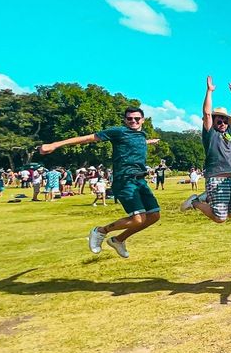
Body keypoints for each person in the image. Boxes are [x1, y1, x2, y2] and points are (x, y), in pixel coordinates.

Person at [38, 106, 162, 258]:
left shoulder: (141, 135)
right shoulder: (118, 132)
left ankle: (118, 240)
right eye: (129, 118)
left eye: (137, 118)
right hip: (125, 179)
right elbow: (88, 138)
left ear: (142, 120)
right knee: (138, 219)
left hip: (141, 180)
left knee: (154, 216)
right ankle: (100, 231)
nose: (133, 121)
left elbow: (136, 142)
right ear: (124, 120)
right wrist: (55, 145)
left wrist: (150, 141)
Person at [182, 77, 231, 223]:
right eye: (219, 121)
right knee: (220, 218)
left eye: (225, 121)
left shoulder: (228, 133)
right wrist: (209, 91)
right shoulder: (211, 133)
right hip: (216, 177)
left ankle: (207, 197)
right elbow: (207, 113)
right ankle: (195, 202)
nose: (222, 123)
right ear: (214, 122)